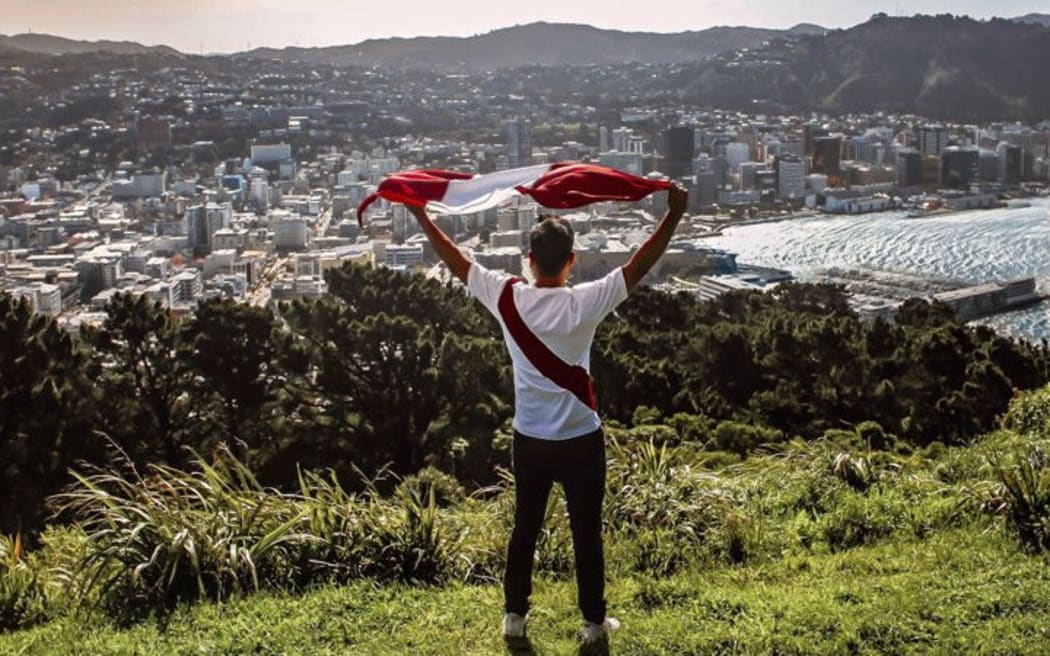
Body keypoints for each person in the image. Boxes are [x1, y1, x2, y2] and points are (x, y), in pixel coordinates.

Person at [404, 184, 688, 644]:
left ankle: (514, 618)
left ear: (529, 260)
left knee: (525, 529)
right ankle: (594, 625)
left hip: (530, 439)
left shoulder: (508, 298)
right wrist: (673, 215)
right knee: (587, 533)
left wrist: (421, 215)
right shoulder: (586, 302)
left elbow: (457, 262)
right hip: (581, 439)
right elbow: (640, 264)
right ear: (572, 260)